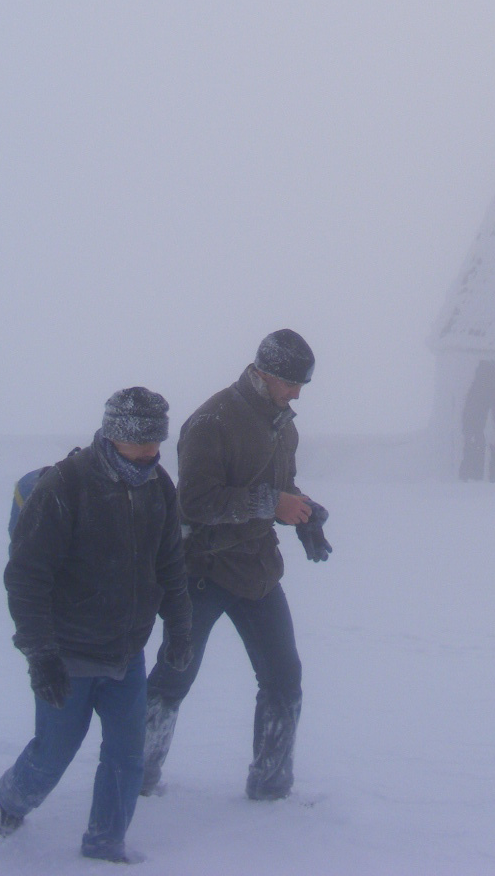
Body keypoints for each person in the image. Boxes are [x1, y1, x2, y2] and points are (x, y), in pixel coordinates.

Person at [0, 387, 192, 864]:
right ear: (115, 435)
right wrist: (40, 654)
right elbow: (26, 576)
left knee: (127, 755)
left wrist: (180, 629)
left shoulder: (159, 486)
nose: (150, 453)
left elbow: (171, 565)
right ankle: (9, 801)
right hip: (68, 652)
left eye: (156, 443)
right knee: (52, 753)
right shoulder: (66, 486)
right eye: (141, 443)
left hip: (126, 653)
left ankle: (105, 843)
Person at [139, 329, 332, 804]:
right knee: (173, 677)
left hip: (258, 570)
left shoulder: (284, 425)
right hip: (201, 571)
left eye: (303, 384)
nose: (297, 393)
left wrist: (305, 515)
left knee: (284, 679)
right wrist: (274, 505)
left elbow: (280, 487)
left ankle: (271, 785)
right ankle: (135, 775)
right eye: (291, 382)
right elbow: (196, 504)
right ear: (263, 372)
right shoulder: (212, 421)